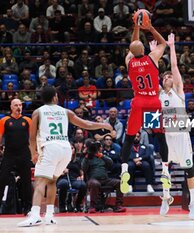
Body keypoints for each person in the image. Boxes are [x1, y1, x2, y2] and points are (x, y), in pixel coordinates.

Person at [17, 86, 113, 227]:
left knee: (40, 182)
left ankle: (35, 214)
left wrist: (33, 153)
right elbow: (86, 124)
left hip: (50, 147)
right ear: (55, 97)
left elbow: (31, 138)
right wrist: (103, 124)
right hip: (66, 149)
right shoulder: (66, 111)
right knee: (52, 181)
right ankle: (49, 215)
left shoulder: (38, 112)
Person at [120, 18, 169, 194]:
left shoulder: (129, 61)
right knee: (160, 136)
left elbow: (133, 45)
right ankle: (165, 170)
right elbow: (163, 43)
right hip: (153, 102)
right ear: (144, 49)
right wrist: (150, 28)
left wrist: (136, 27)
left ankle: (124, 169)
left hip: (138, 101)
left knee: (128, 137)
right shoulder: (152, 58)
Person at [157, 33, 194, 219]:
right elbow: (153, 71)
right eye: (165, 76)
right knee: (165, 170)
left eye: (169, 76)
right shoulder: (159, 94)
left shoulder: (178, 91)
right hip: (167, 136)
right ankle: (166, 198)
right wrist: (153, 53)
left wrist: (172, 46)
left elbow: (173, 66)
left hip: (181, 136)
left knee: (189, 169)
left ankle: (193, 204)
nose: (168, 77)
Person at [0, 99, 32, 215]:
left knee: (26, 182)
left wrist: (34, 153)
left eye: (20, 105)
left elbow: (32, 139)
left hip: (24, 154)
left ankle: (27, 208)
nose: (19, 107)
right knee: (2, 179)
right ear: (11, 107)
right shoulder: (4, 120)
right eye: (16, 105)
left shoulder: (28, 120)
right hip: (9, 154)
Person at [81, 139, 125, 213]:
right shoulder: (88, 158)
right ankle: (92, 206)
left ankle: (118, 205)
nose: (99, 149)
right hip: (93, 180)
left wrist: (102, 156)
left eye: (100, 147)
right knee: (95, 184)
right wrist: (87, 156)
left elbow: (111, 163)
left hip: (105, 179)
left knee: (119, 182)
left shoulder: (103, 156)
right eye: (97, 148)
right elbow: (83, 168)